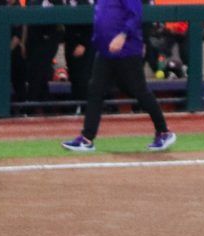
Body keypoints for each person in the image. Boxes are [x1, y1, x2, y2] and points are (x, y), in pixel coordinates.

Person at [61, 0, 175, 153]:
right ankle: (87, 139)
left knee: (139, 91)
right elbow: (101, 17)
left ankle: (164, 132)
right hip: (105, 51)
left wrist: (122, 35)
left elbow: (135, 15)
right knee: (95, 90)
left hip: (127, 50)